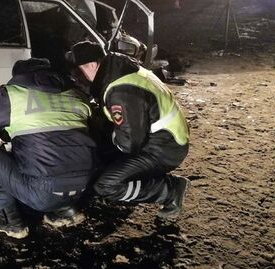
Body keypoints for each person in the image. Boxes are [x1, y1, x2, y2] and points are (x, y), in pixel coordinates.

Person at [0, 58, 98, 238]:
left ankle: (9, 221)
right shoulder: (77, 95)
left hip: (42, 194)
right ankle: (65, 211)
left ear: (20, 77)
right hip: (82, 188)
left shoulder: (15, 94)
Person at [65, 41, 190, 219]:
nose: (77, 77)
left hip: (164, 149)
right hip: (165, 139)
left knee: (106, 185)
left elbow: (128, 143)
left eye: (79, 71)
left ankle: (169, 190)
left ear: (93, 64)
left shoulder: (121, 91)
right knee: (102, 156)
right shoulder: (120, 70)